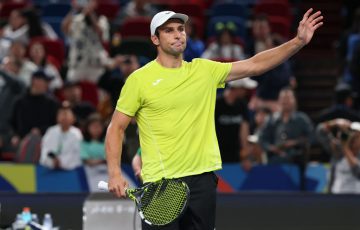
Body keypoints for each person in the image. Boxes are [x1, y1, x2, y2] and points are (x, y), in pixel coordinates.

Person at [105, 9, 323, 229]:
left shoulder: (204, 70)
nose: (178, 34)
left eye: (180, 29)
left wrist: (298, 42)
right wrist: (114, 173)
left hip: (202, 181)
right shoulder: (139, 80)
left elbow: (255, 65)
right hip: (162, 183)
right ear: (155, 39)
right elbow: (116, 128)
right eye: (169, 31)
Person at [215, 78, 256, 168]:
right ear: (237, 88)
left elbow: (244, 130)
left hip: (235, 155)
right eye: (243, 88)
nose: (245, 92)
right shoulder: (216, 104)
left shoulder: (242, 105)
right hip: (216, 155)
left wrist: (245, 157)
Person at [40, 101, 83, 170]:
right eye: (61, 114)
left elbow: (77, 155)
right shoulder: (51, 131)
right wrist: (51, 161)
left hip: (70, 170)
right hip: (50, 169)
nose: (64, 117)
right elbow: (45, 150)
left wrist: (61, 162)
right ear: (57, 117)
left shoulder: (76, 134)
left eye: (66, 114)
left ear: (73, 118)